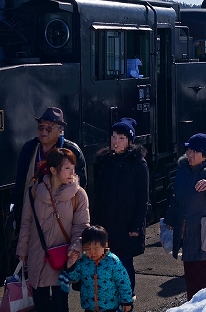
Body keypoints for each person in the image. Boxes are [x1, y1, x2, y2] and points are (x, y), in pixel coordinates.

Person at [16, 148, 89, 312]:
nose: (72, 172)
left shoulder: (78, 195)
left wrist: (76, 249)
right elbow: (26, 222)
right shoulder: (34, 192)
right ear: (53, 170)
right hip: (37, 255)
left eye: (73, 167)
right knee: (40, 304)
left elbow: (82, 227)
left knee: (60, 304)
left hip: (61, 258)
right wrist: (22, 250)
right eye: (67, 168)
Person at [91, 118, 149, 297]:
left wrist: (136, 226)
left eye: (121, 137)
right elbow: (99, 194)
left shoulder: (138, 164)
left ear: (130, 140)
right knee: (106, 265)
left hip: (126, 225)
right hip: (107, 223)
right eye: (113, 136)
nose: (116, 141)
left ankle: (126, 301)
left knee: (124, 264)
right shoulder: (106, 161)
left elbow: (142, 198)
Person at [163, 134, 206, 300]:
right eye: (188, 150)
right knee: (192, 283)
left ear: (204, 154)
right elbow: (175, 197)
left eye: (193, 151)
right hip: (188, 234)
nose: (188, 154)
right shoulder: (182, 169)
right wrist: (170, 217)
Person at [12, 107, 87, 237]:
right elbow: (20, 182)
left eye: (49, 128)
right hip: (32, 210)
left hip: (59, 215)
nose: (43, 132)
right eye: (41, 128)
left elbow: (80, 184)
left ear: (60, 131)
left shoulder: (71, 151)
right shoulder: (29, 148)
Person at [66, 225, 133, 312]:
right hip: (89, 306)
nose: (92, 253)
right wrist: (70, 266)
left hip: (110, 307)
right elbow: (74, 278)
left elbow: (123, 282)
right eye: (88, 249)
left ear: (105, 245)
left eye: (96, 249)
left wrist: (127, 302)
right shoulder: (83, 260)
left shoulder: (112, 261)